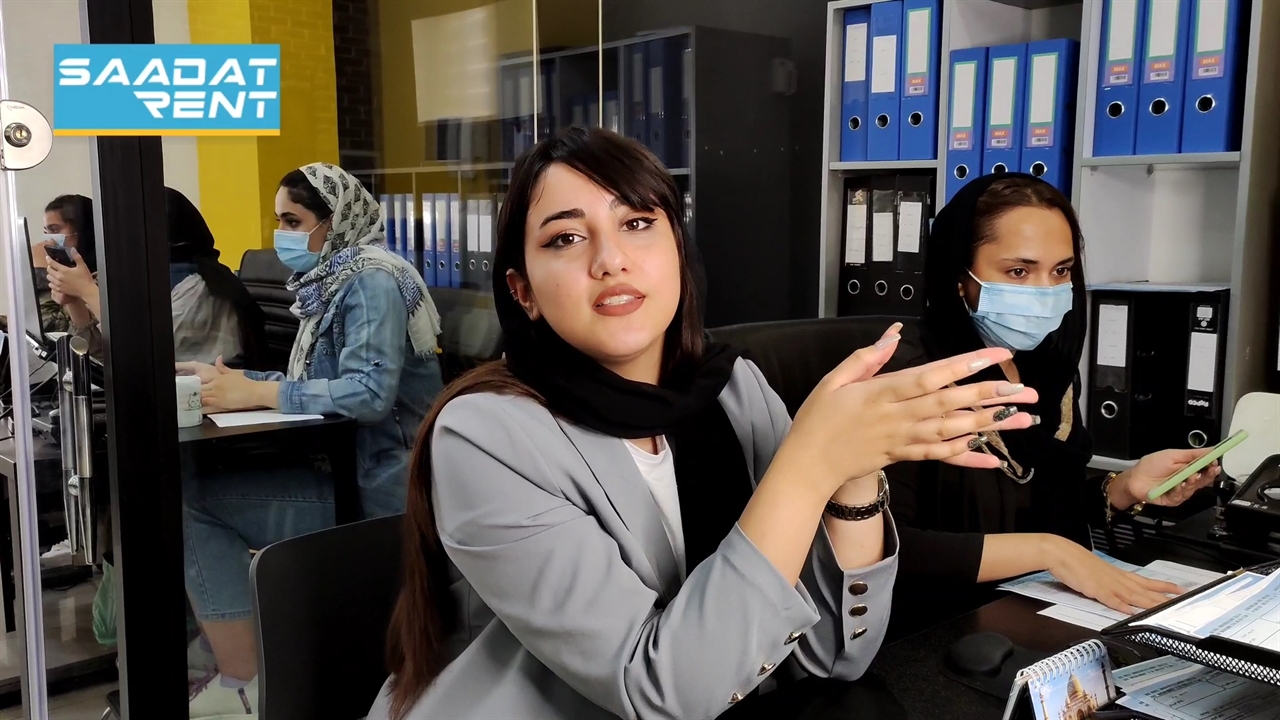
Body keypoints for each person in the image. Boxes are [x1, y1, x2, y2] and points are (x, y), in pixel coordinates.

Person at [372, 127, 1042, 720]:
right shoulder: (485, 436)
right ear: (524, 293)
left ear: (677, 250)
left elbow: (833, 654)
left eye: (638, 222)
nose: (610, 259)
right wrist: (811, 462)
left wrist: (854, 472)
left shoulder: (731, 391)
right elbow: (661, 694)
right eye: (566, 238)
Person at [886, 173, 1220, 633]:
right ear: (959, 277)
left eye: (1061, 271)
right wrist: (1047, 551)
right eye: (1018, 272)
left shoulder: (1046, 369)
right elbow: (883, 548)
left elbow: (1042, 504)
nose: (1046, 292)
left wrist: (1127, 486)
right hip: (936, 628)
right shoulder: (905, 378)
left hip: (1032, 607)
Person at [179, 162, 445, 718]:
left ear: (335, 221)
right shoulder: (333, 278)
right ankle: (233, 649)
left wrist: (259, 394)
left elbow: (368, 393)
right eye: (279, 220)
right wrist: (234, 382)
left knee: (194, 501)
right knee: (194, 482)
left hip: (379, 490)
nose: (282, 234)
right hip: (342, 467)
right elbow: (316, 382)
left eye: (293, 221)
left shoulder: (371, 281)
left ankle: (243, 679)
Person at [46, 188, 269, 368]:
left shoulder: (197, 287)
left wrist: (87, 291)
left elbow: (141, 356)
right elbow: (101, 354)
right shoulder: (147, 280)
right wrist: (74, 300)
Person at [33, 194, 97, 334]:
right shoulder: (69, 271)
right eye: (46, 232)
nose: (49, 241)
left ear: (83, 230)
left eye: (55, 230)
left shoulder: (99, 279)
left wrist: (41, 272)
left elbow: (51, 327)